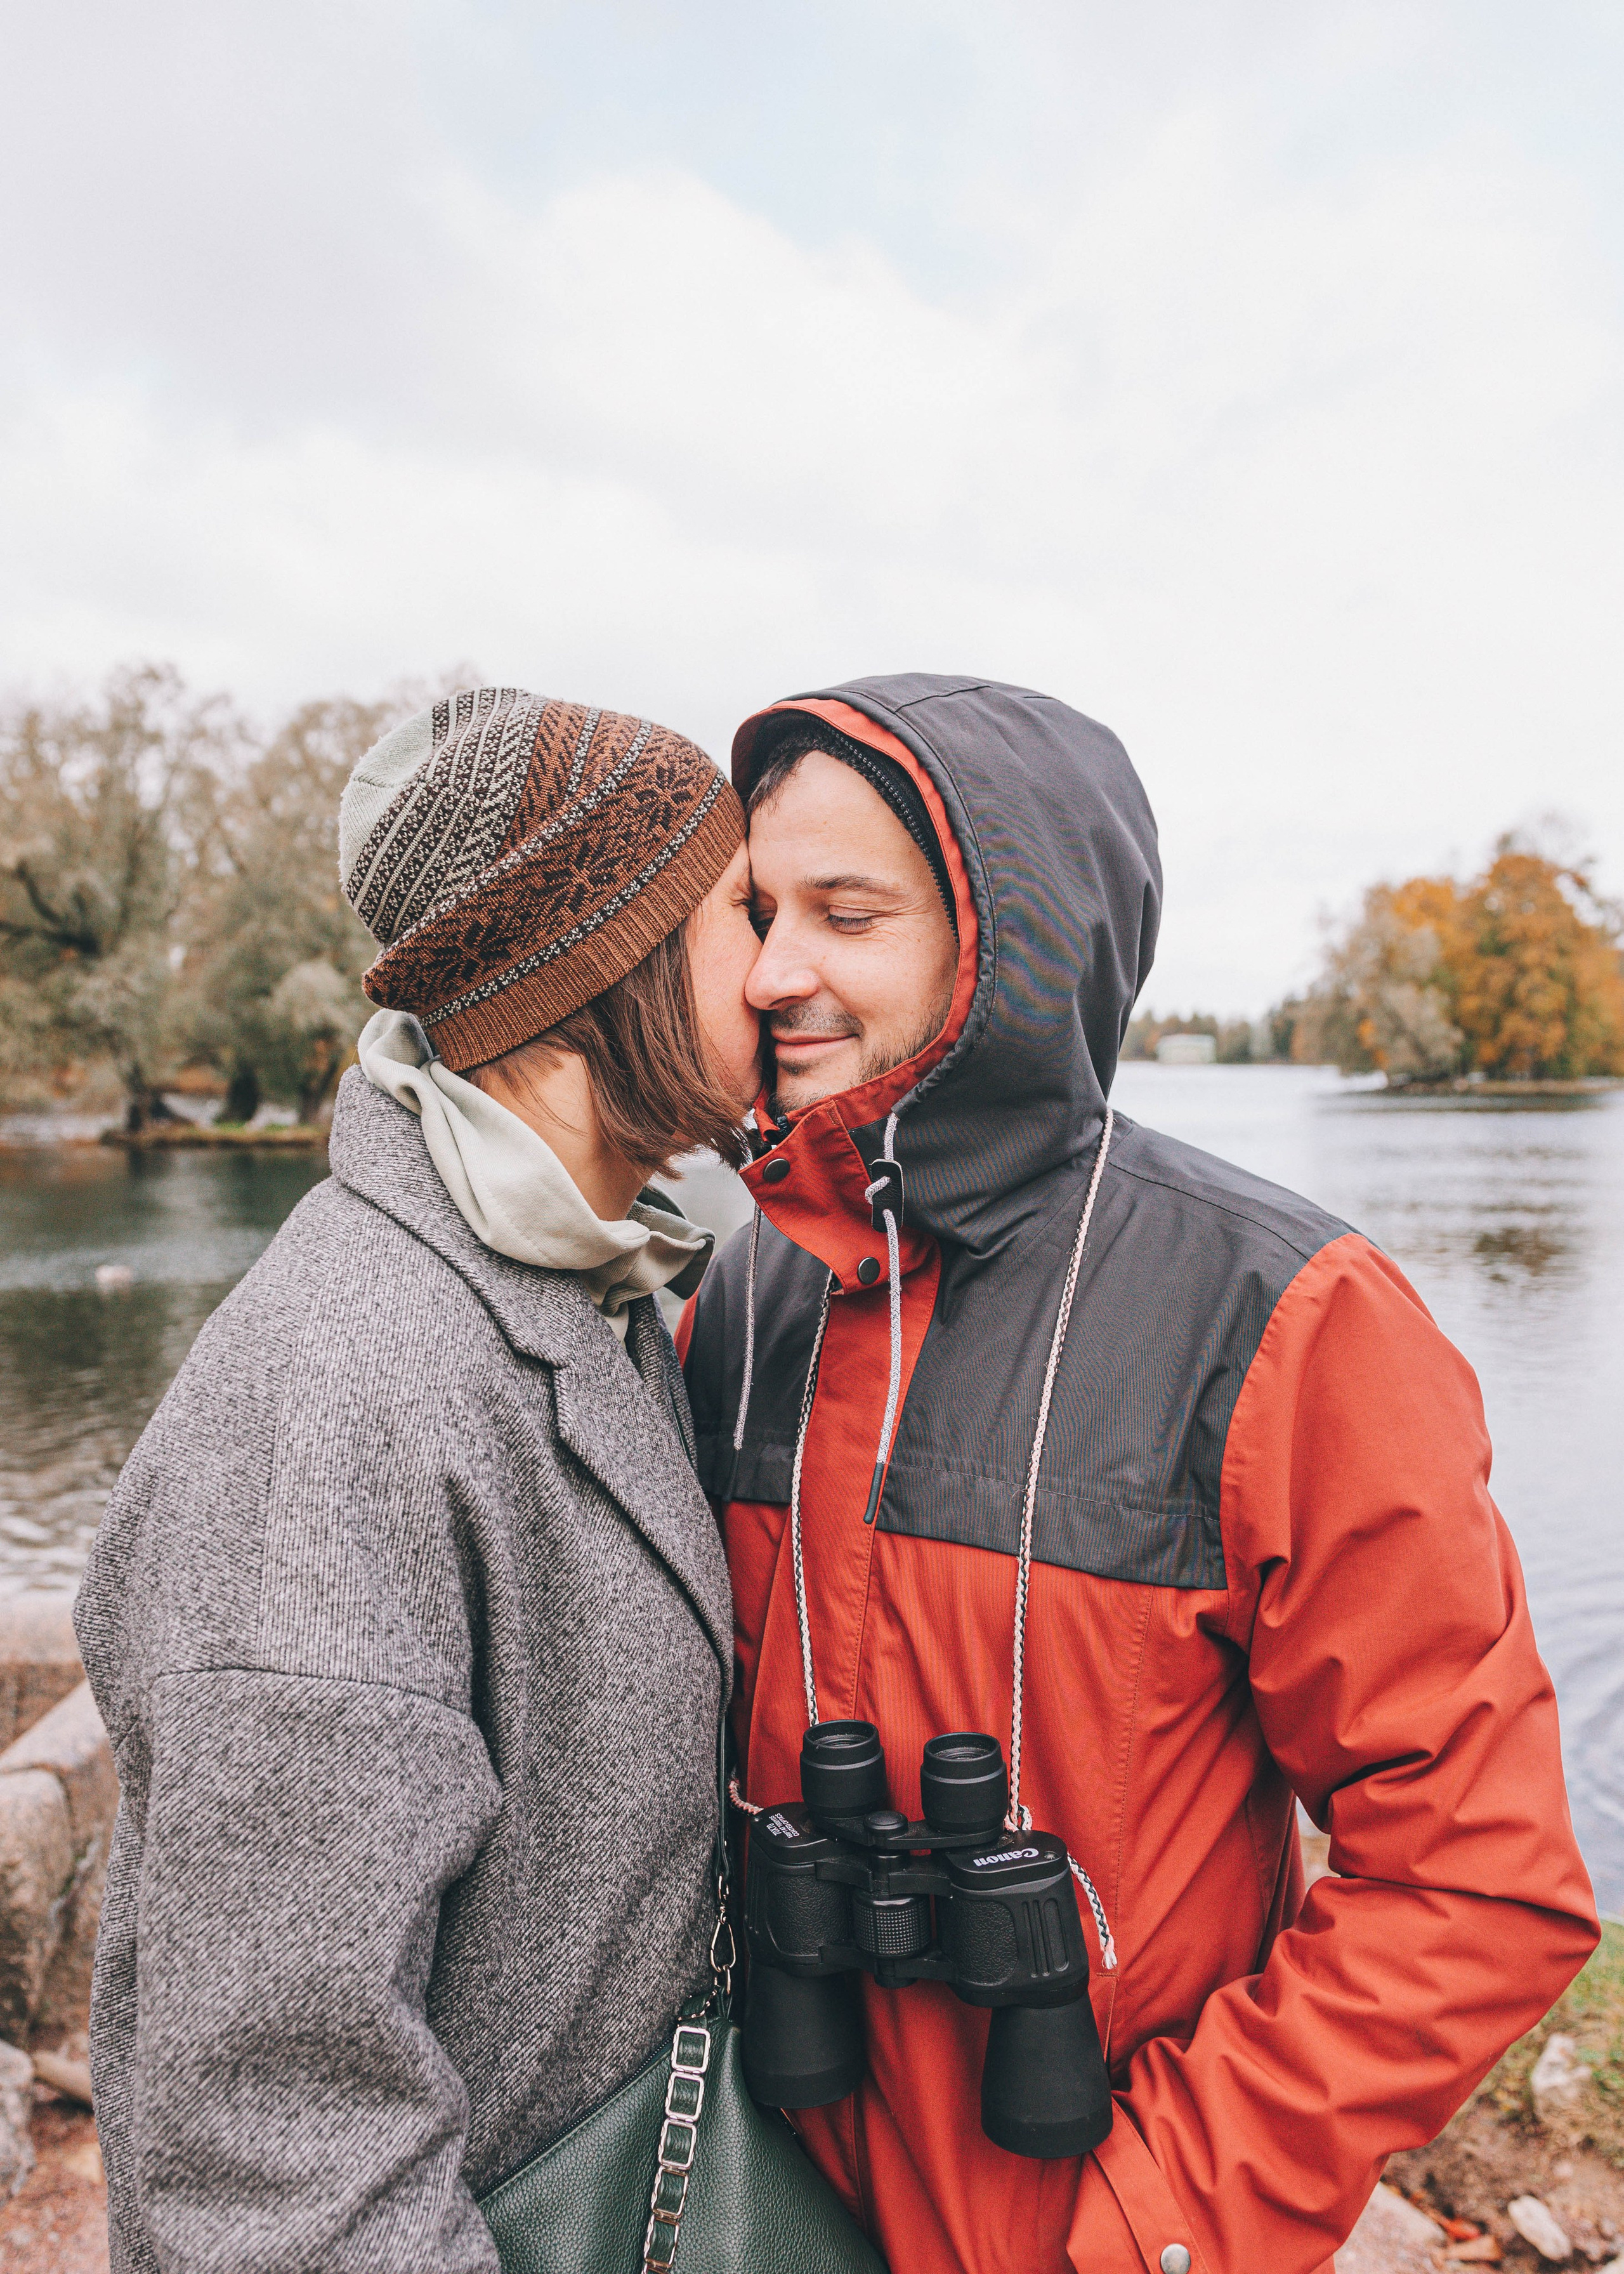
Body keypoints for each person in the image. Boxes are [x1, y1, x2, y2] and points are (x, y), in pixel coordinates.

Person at [681, 675, 1599, 2274]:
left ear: (1005, 947)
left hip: (1091, 2225)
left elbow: (1476, 1884)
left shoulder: (1291, 1321)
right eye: (760, 908)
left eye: (846, 911)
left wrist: (1145, 2229)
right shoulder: (740, 1300)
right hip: (758, 2216)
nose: (773, 971)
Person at [75, 688, 761, 2271]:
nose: (786, 965)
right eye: (747, 910)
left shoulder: (589, 1283)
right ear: (613, 957)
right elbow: (272, 2158)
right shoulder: (340, 1399)